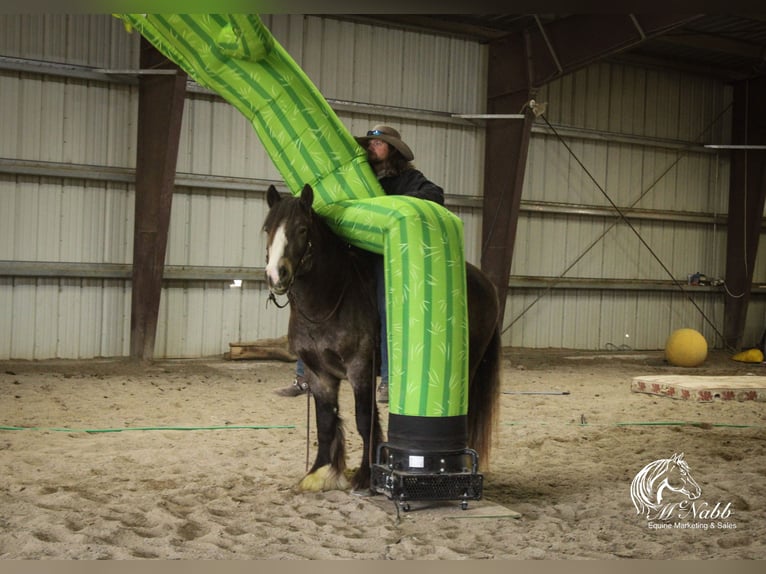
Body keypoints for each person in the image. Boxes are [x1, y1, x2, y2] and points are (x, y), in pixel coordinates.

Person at [275, 125, 445, 402]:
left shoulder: (408, 179)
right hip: (351, 253)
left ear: (394, 150)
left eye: (378, 144)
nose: (371, 148)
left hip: (381, 255)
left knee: (387, 305)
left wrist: (396, 206)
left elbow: (435, 195)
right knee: (309, 294)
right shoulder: (357, 179)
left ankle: (388, 379)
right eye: (369, 144)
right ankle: (304, 374)